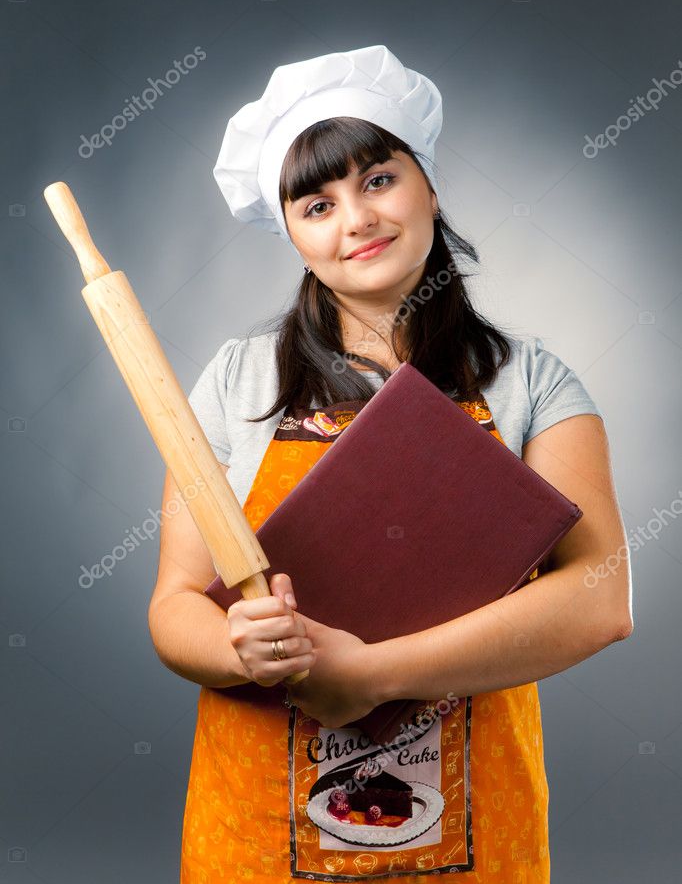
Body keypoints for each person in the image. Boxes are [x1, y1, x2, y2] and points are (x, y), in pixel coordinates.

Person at [148, 45, 633, 883]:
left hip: (474, 829)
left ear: (430, 186)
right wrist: (239, 646)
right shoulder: (238, 381)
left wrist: (370, 674)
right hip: (256, 832)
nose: (356, 218)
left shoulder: (533, 384)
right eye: (317, 203)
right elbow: (174, 606)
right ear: (293, 235)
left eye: (379, 179)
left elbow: (602, 596)